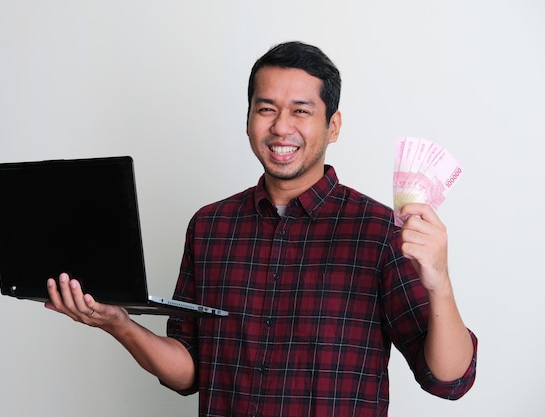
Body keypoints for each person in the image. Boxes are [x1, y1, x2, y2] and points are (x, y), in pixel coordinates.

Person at [45, 41, 477, 417]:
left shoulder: (381, 231)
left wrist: (439, 280)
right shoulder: (210, 227)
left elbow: (448, 379)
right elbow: (189, 370)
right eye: (266, 108)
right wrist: (117, 323)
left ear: (333, 126)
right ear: (249, 117)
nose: (280, 127)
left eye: (300, 111)